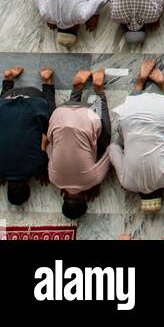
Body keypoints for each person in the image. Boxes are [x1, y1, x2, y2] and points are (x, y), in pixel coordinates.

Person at [108, 61, 164, 208]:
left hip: (161, 113)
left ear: (161, 192)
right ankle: (139, 84)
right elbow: (112, 148)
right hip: (129, 113)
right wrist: (126, 141)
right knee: (126, 125)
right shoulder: (127, 183)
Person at [44, 68, 112, 219]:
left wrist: (95, 181)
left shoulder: (93, 179)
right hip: (60, 113)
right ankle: (76, 90)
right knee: (60, 134)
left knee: (106, 141)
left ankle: (99, 91)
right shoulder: (53, 179)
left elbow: (110, 152)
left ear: (85, 199)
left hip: (89, 113)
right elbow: (49, 148)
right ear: (64, 198)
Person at [0, 66, 56, 207]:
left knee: (51, 125)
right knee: (5, 117)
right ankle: (8, 79)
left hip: (35, 97)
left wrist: (41, 172)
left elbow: (45, 149)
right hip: (7, 99)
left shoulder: (35, 167)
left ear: (28, 187)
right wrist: (0, 173)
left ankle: (47, 82)